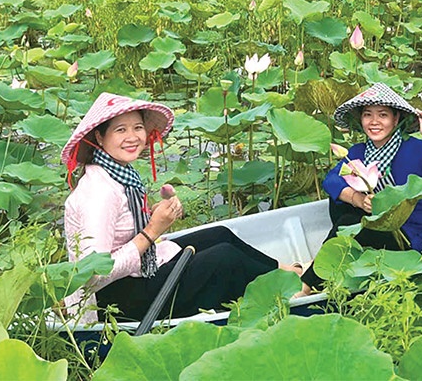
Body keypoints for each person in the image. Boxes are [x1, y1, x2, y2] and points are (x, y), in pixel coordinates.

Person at [61, 92, 301, 323]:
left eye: (137, 127)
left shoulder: (117, 173)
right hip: (112, 300)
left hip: (135, 273)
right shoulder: (99, 193)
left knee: (220, 234)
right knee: (225, 260)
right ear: (100, 137)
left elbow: (122, 227)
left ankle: (289, 273)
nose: (132, 137)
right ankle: (290, 293)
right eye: (120, 130)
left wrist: (154, 213)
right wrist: (153, 230)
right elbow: (96, 273)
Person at [300, 82, 422, 293]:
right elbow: (331, 180)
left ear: (396, 118)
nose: (374, 122)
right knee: (340, 197)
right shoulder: (358, 152)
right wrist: (357, 199)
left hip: (411, 239)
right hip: (379, 230)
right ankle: (329, 268)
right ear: (360, 119)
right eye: (367, 115)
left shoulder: (418, 149)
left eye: (382, 115)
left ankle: (307, 286)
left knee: (348, 222)